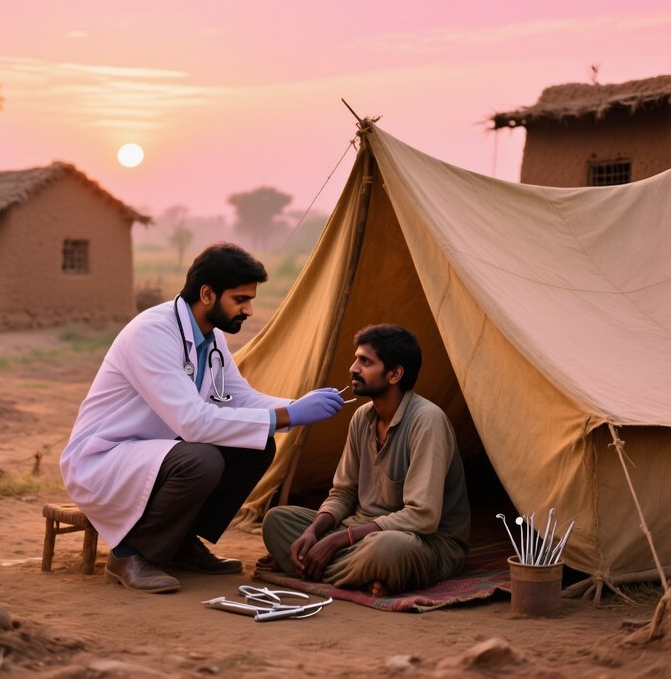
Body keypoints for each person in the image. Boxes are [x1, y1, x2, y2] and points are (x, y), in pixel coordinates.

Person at [60, 242, 345, 594]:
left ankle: (180, 543)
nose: (249, 310)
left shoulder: (211, 338)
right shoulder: (152, 333)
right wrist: (289, 415)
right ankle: (129, 554)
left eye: (250, 299)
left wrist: (299, 406)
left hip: (158, 451)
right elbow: (193, 423)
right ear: (208, 294)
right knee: (202, 459)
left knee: (254, 448)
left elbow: (237, 397)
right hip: (107, 456)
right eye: (240, 299)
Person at [261, 323, 470, 596]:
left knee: (388, 551)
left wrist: (339, 540)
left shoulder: (427, 421)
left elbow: (423, 517)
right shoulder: (361, 417)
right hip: (359, 533)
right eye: (356, 358)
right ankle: (362, 576)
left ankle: (314, 567)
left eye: (365, 361)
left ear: (395, 374)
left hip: (422, 541)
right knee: (276, 521)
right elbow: (343, 494)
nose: (353, 368)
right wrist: (314, 532)